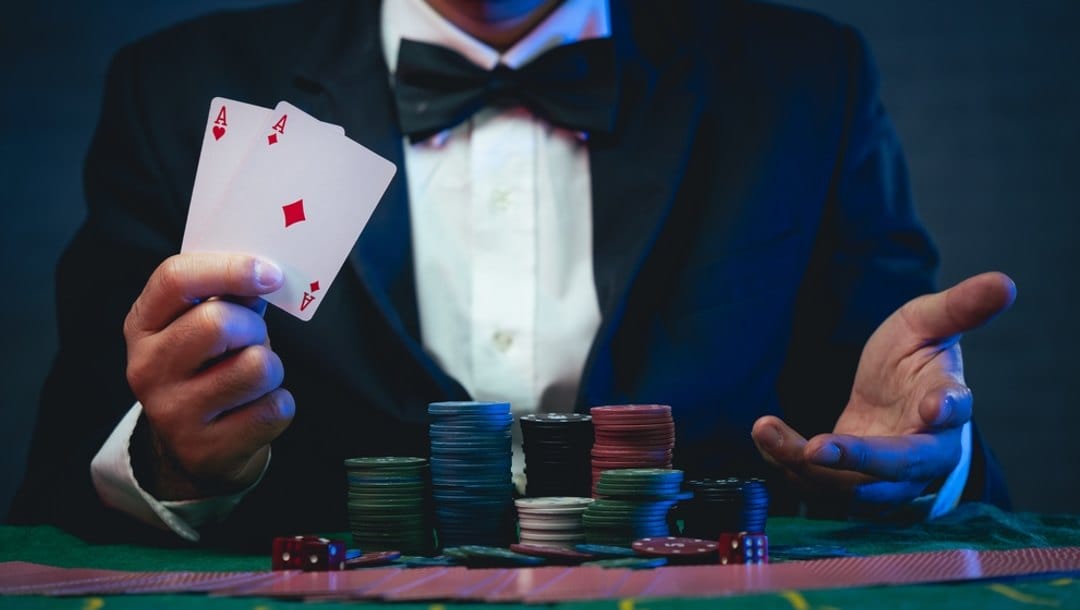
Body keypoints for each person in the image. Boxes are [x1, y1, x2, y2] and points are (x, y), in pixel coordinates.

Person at [10, 0, 1015, 547]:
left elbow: (892, 419)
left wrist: (923, 458)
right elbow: (72, 468)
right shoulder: (176, 89)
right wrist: (173, 462)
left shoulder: (807, 77)